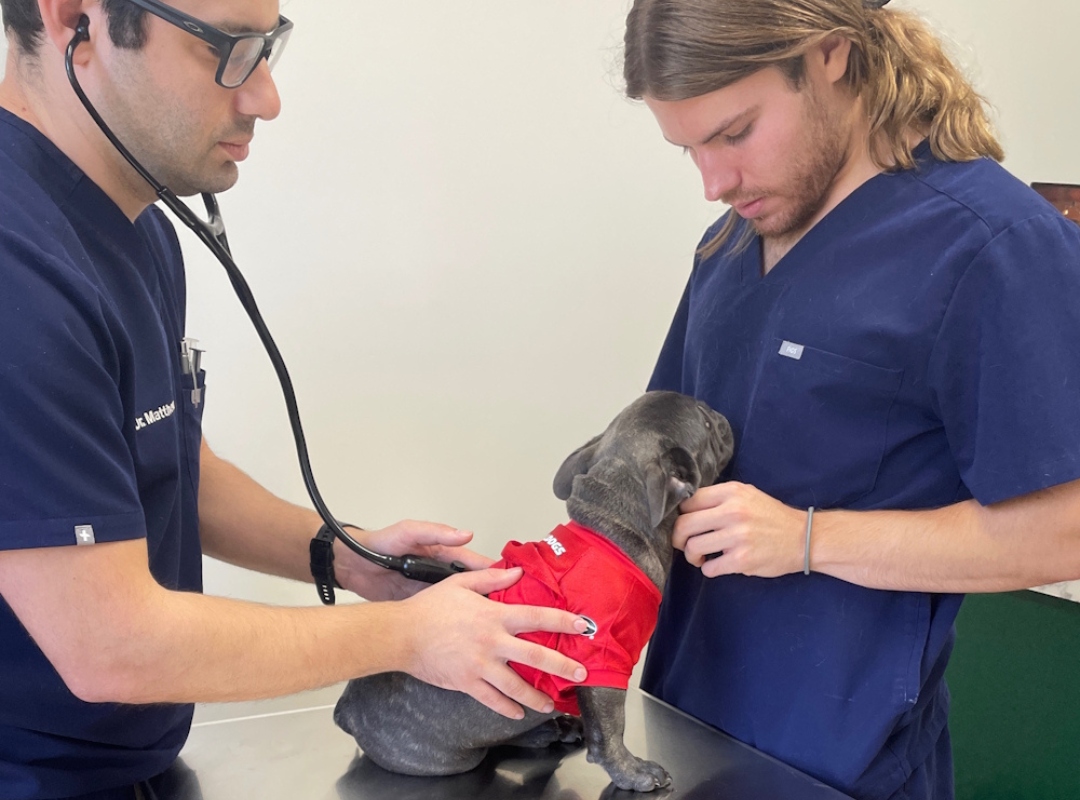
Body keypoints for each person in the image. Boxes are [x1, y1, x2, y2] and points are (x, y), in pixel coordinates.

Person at [0, 1, 592, 798]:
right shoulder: (16, 271)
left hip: (124, 765)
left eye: (269, 44)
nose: (265, 96)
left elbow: (169, 464)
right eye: (228, 48)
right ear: (78, 17)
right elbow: (110, 644)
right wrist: (406, 636)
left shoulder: (137, 227)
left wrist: (346, 556)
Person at [622, 0, 1080, 798]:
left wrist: (807, 540)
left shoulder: (993, 245)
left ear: (830, 56)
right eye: (688, 149)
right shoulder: (732, 243)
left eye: (734, 133)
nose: (713, 182)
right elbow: (667, 445)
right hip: (682, 728)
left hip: (842, 761)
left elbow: (1064, 529)